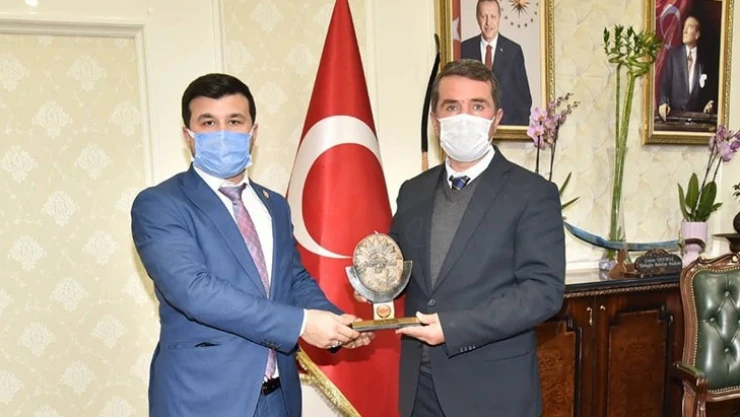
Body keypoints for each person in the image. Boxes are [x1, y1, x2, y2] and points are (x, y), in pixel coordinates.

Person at [131, 73, 371, 417]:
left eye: (234, 121)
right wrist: (302, 324)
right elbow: (195, 291)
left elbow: (293, 279)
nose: (222, 133)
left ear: (253, 132)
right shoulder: (160, 204)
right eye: (208, 122)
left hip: (279, 397)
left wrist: (336, 324)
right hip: (203, 399)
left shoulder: (274, 205)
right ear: (188, 135)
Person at [392, 59, 564, 416]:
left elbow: (543, 292)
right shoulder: (412, 191)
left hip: (492, 393)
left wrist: (454, 327)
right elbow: (397, 271)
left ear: (496, 119)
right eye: (452, 107)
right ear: (436, 121)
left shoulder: (532, 193)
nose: (464, 117)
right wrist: (370, 287)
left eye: (477, 106)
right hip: (419, 390)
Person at [461, 0, 532, 126]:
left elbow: (524, 100)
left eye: (493, 16)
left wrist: (516, 132)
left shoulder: (513, 51)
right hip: (473, 128)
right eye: (484, 16)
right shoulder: (465, 49)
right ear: (477, 18)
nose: (488, 22)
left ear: (499, 17)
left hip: (506, 128)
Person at [658, 16, 715, 121]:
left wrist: (710, 103)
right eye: (684, 27)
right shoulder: (673, 55)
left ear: (697, 34)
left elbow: (710, 90)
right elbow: (665, 84)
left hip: (697, 120)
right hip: (674, 119)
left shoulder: (705, 60)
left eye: (689, 27)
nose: (684, 31)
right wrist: (663, 102)